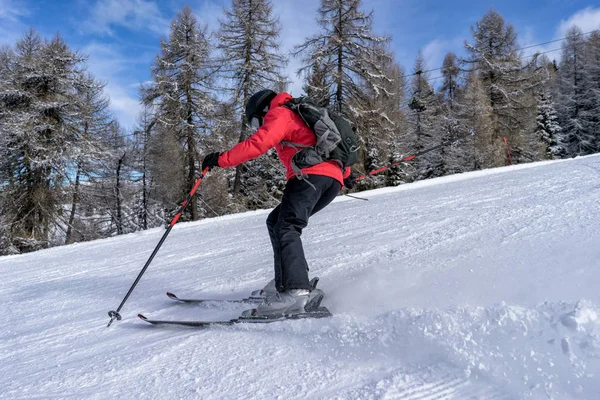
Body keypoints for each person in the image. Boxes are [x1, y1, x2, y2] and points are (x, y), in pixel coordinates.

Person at [201, 89, 355, 317]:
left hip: (308, 177)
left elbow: (258, 143)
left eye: (255, 121)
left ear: (263, 109)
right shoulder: (299, 115)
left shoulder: (280, 113)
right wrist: (345, 173)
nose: (258, 125)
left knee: (287, 226)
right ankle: (287, 280)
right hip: (329, 180)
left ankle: (296, 291)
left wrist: (221, 159)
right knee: (276, 221)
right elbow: (329, 146)